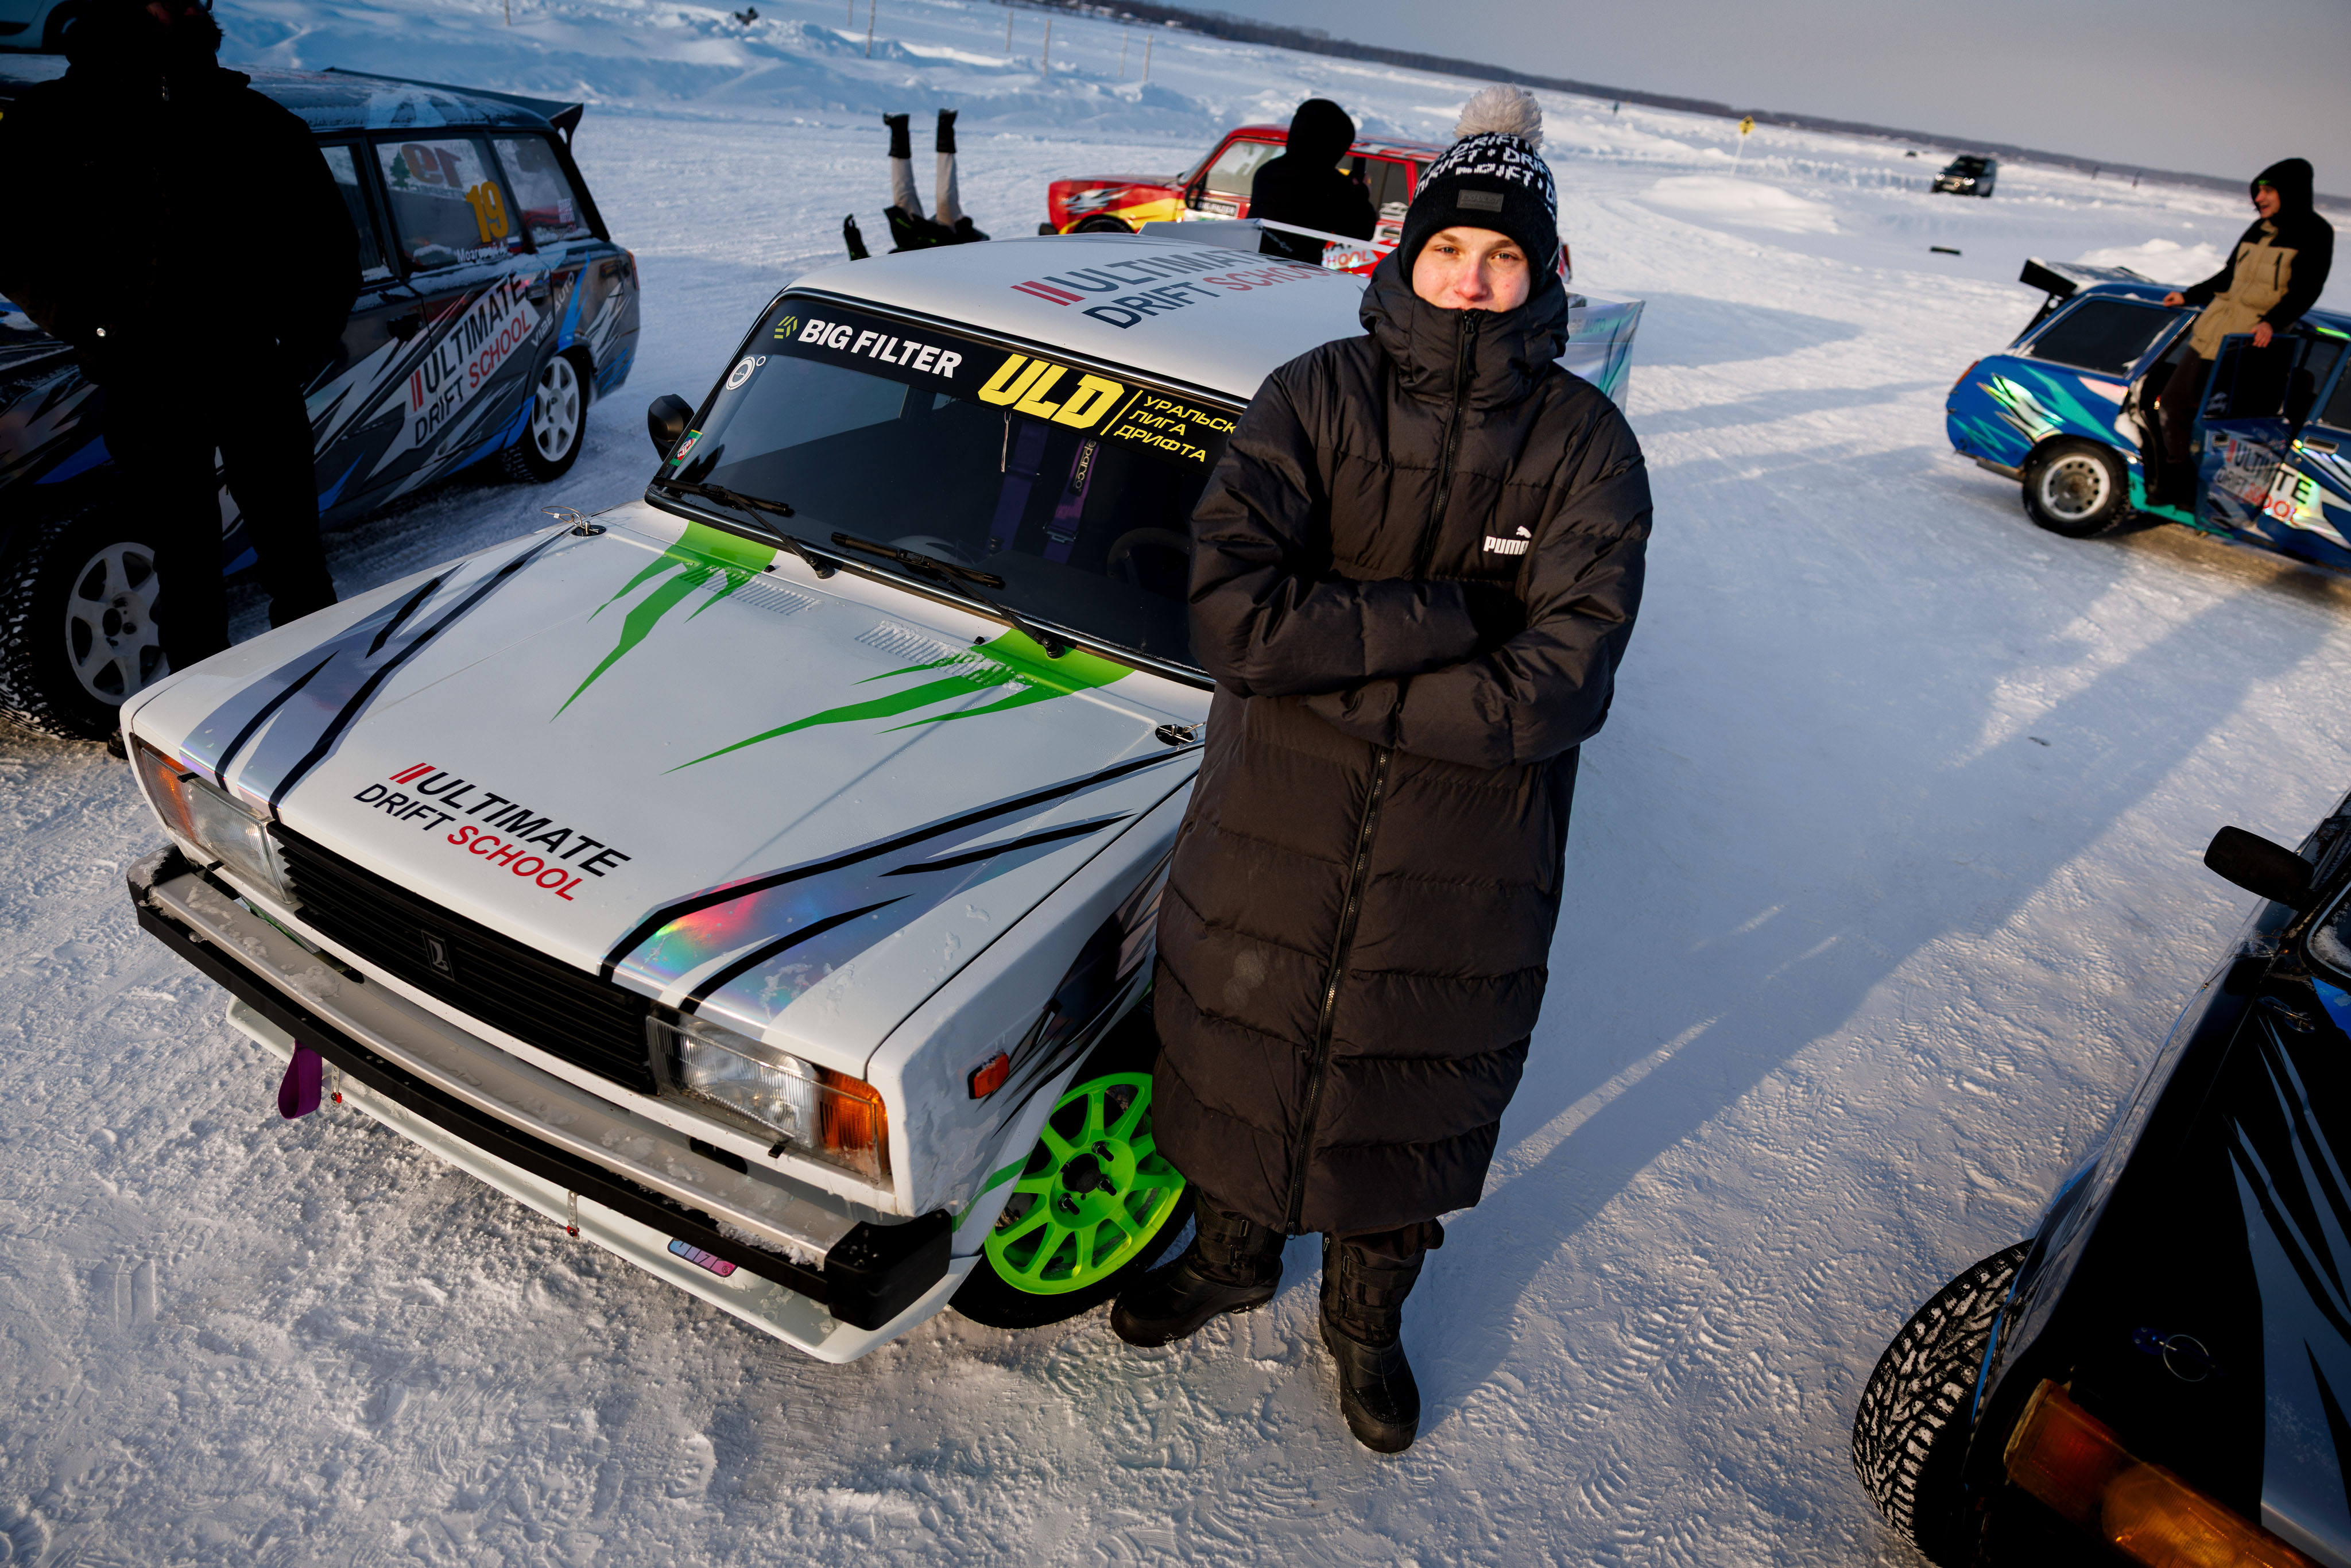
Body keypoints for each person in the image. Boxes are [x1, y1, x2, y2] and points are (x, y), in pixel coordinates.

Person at [1114, 85, 1652, 1454]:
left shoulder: (1587, 448)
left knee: (1405, 1090)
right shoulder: (1311, 397)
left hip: (1463, 868)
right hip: (1270, 831)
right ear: (1406, 253)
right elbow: (1234, 621)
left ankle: (1365, 1319)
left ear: (1543, 271)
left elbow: (1558, 689)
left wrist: (1329, 674)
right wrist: (1453, 618)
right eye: (1449, 250)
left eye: (1502, 257)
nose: (1470, 281)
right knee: (1242, 1052)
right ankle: (1231, 1256)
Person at [0, 0, 356, 675]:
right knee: (184, 572)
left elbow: (331, 247)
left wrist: (302, 342)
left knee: (298, 561)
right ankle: (201, 712)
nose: (190, 4)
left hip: (254, 371)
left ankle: (326, 695)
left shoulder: (258, 121)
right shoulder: (54, 120)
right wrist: (95, 325)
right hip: (146, 380)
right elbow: (16, 244)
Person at [2151, 158, 2334, 508]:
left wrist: (2272, 322)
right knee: (2173, 403)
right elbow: (2228, 276)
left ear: (2291, 192)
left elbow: (2306, 290)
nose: (2259, 199)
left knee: (2222, 423)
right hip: (2212, 333)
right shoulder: (2258, 229)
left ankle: (2215, 498)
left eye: (2268, 191)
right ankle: (2178, 485)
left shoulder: (2315, 232)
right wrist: (2190, 295)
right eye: (2257, 192)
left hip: (2247, 345)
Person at [1246, 98, 1377, 264]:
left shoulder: (1267, 171)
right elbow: (1361, 232)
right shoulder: (1332, 183)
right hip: (1299, 272)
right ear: (1331, 145)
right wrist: (1361, 194)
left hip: (1254, 265)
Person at [882, 110, 987, 251]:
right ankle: (946, 125)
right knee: (947, 199)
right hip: (949, 237)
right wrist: (968, 235)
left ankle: (899, 128)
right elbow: (983, 242)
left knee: (904, 197)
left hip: (915, 238)